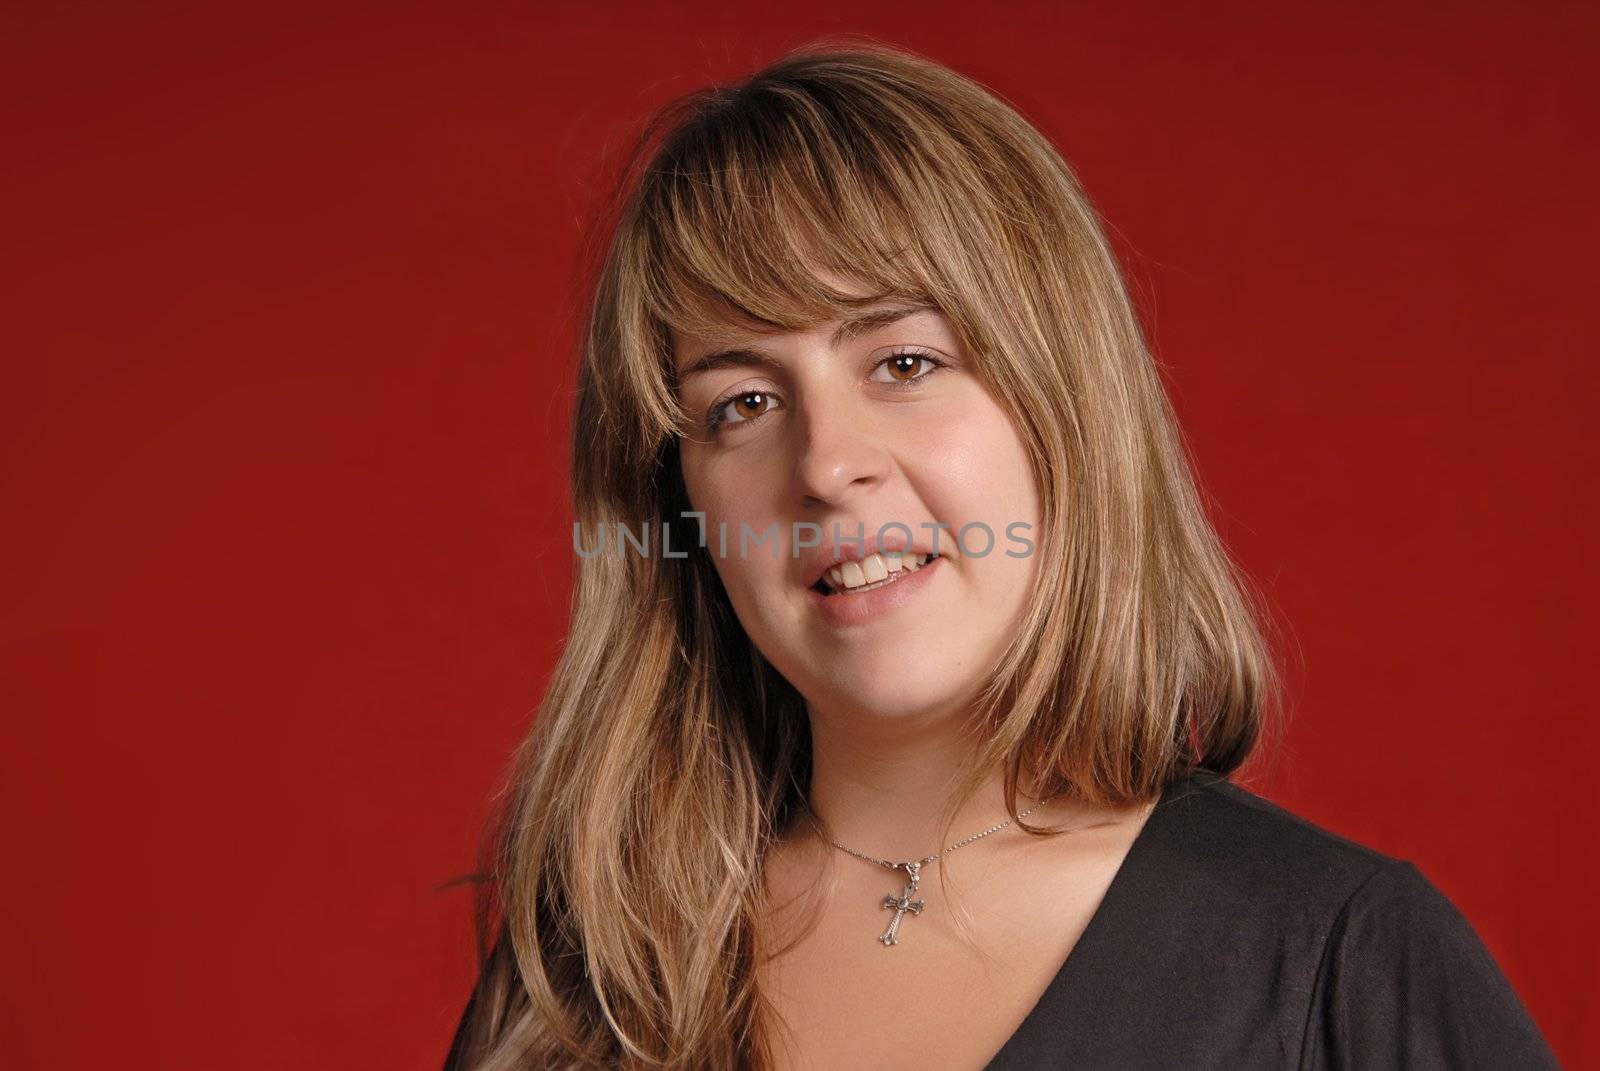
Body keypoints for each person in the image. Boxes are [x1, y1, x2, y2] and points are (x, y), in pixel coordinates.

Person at [442, 40, 1559, 1070]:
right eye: (739, 401)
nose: (827, 465)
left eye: (905, 363)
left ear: (1064, 402)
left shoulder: (1341, 967)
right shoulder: (581, 986)